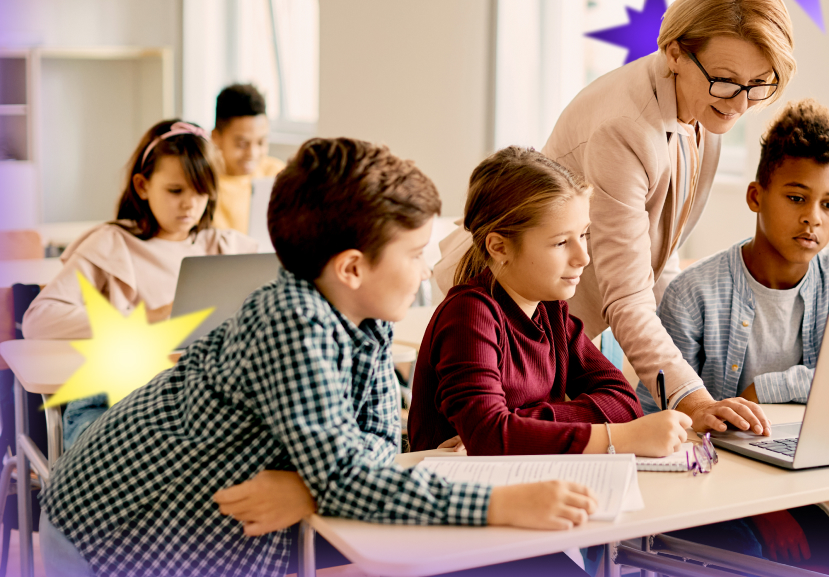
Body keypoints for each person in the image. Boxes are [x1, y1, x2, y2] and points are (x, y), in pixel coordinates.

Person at [38, 138, 597, 577]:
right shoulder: (292, 321)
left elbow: (378, 446)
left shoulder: (369, 319)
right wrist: (501, 504)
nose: (429, 268)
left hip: (207, 526)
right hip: (111, 528)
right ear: (352, 269)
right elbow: (354, 476)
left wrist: (314, 488)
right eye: (413, 252)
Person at [436, 0, 795, 436]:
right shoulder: (625, 127)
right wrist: (692, 397)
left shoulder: (708, 110)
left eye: (759, 83)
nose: (741, 103)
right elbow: (627, 293)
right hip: (505, 315)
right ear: (675, 53)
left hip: (560, 325)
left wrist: (695, 385)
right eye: (726, 80)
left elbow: (656, 264)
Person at [653, 100, 829, 577]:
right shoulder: (693, 295)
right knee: (751, 558)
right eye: (796, 198)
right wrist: (765, 507)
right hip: (713, 487)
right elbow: (662, 424)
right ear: (756, 195)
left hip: (812, 479)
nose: (813, 218)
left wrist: (768, 390)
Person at [409, 146, 691, 456]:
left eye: (583, 235)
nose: (583, 257)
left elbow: (623, 402)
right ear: (499, 247)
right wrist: (617, 438)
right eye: (560, 242)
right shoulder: (469, 315)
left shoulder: (551, 311)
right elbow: (489, 436)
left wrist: (518, 426)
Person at [23, 119, 257, 447]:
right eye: (175, 191)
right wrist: (149, 318)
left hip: (193, 401)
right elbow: (39, 320)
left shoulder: (229, 247)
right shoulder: (110, 243)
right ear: (143, 185)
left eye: (201, 191)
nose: (190, 204)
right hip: (117, 400)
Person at [210, 83, 287, 234]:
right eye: (242, 144)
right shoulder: (203, 184)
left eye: (261, 142)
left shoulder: (277, 173)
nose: (252, 153)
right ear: (216, 138)